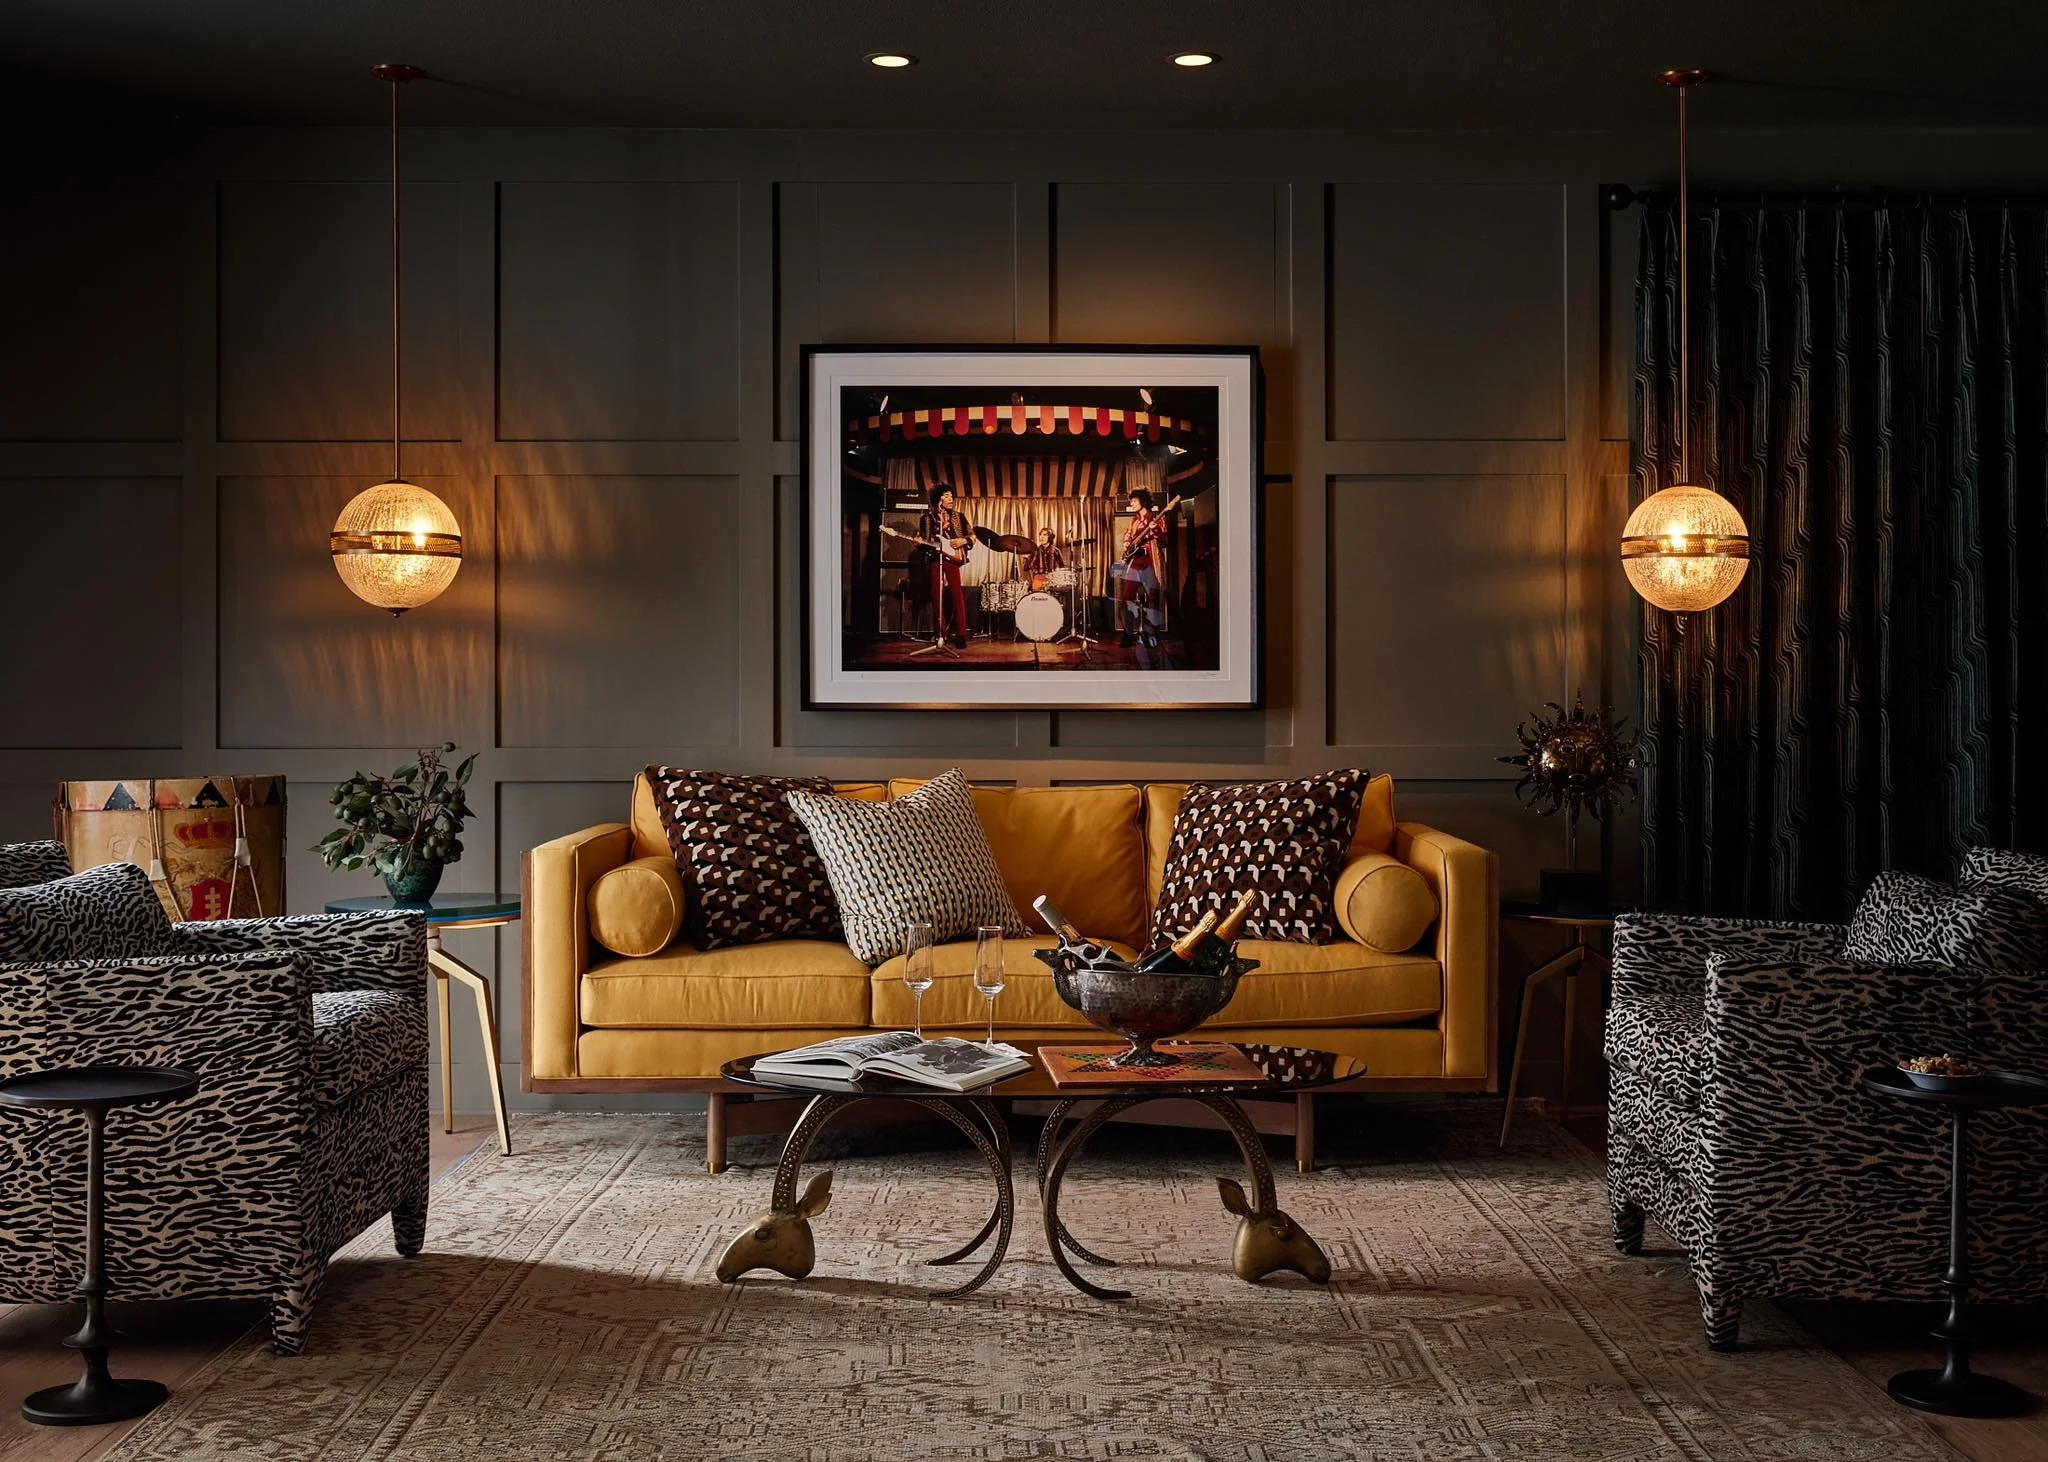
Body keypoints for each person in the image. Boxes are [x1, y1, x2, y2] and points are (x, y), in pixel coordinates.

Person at [1114, 491, 1167, 647]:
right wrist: (1126, 543)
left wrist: (1156, 530)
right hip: (1135, 563)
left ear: (1143, 501)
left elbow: (1164, 542)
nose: (1132, 504)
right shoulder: (1134, 520)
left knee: (1153, 599)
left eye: (1134, 501)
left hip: (1150, 561)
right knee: (1126, 598)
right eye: (1131, 501)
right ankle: (1129, 634)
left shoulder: (1158, 518)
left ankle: (1151, 635)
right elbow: (1128, 536)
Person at [925, 485, 973, 647]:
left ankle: (961, 634)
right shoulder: (927, 518)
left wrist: (964, 540)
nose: (951, 499)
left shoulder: (959, 517)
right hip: (935, 558)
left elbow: (972, 534)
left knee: (957, 594)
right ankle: (941, 633)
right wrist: (920, 543)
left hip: (952, 558)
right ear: (939, 499)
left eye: (952, 496)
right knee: (936, 595)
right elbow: (926, 540)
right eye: (947, 495)